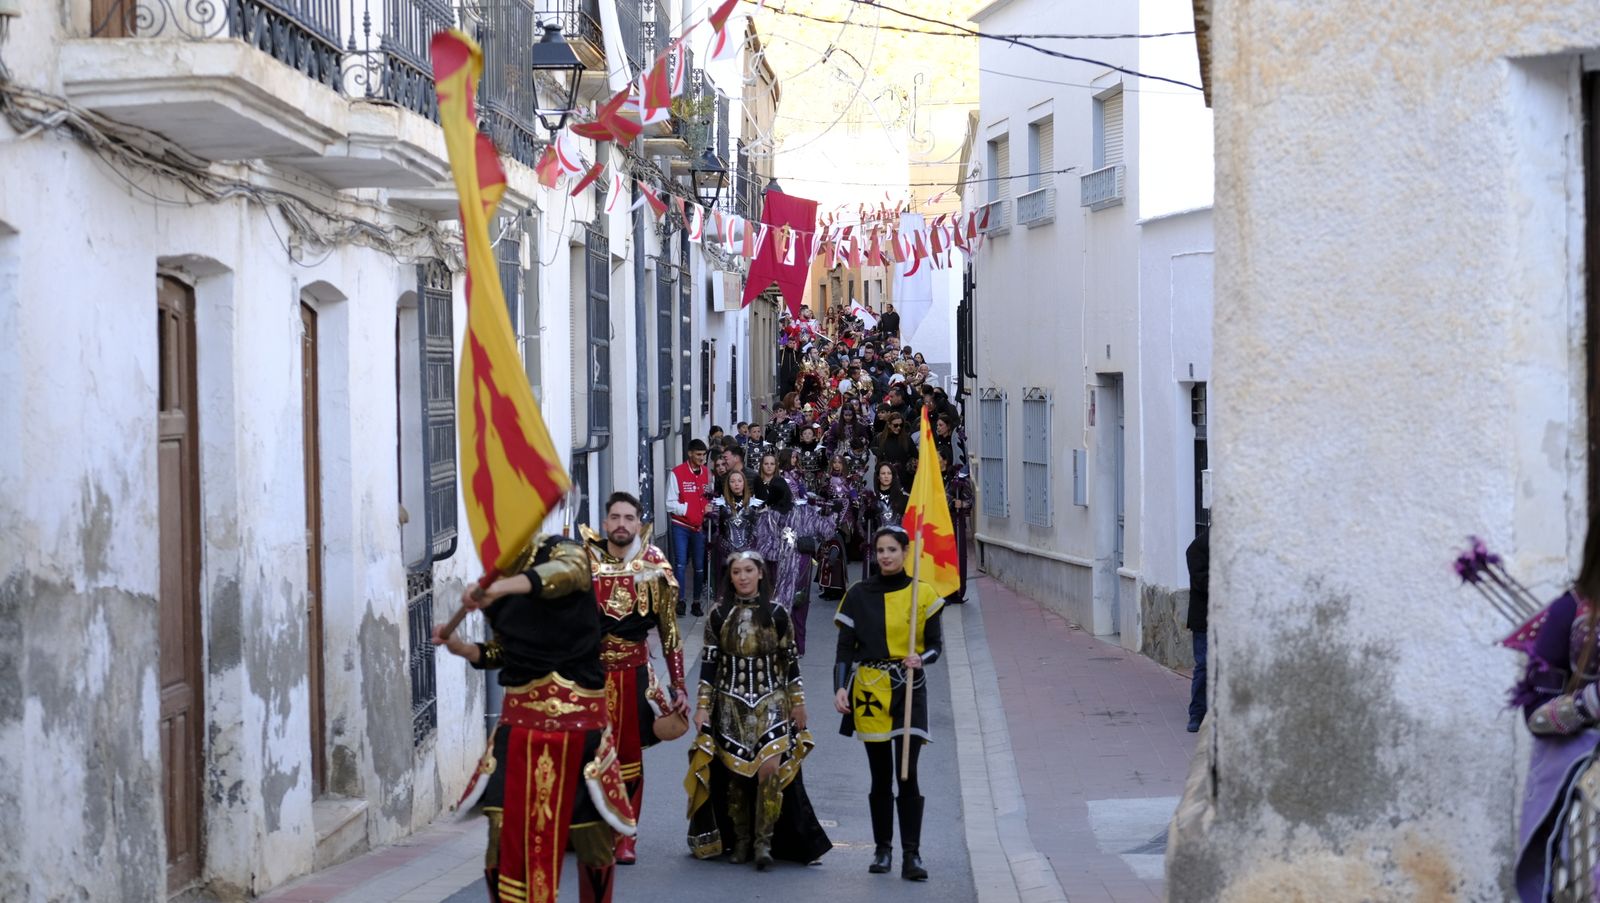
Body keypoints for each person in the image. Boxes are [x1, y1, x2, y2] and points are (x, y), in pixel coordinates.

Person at [434, 535, 634, 903]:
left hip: (578, 728)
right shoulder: (498, 573)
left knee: (591, 837)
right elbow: (510, 652)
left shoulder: (562, 551)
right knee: (501, 831)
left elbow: (567, 574)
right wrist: (465, 649)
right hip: (519, 727)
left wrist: (499, 587)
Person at [687, 551, 832, 869]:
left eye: (749, 570)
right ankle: (740, 841)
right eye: (737, 572)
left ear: (761, 574)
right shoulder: (718, 614)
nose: (743, 577)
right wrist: (701, 708)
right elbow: (709, 665)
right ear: (731, 577)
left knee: (769, 770)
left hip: (772, 702)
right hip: (729, 705)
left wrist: (799, 703)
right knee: (737, 776)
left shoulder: (779, 614)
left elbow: (791, 662)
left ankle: (764, 842)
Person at [833, 526, 944, 882]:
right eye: (880, 550)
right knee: (880, 776)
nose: (885, 556)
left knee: (906, 774)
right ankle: (883, 849)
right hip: (869, 691)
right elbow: (844, 649)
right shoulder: (857, 595)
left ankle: (912, 854)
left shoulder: (923, 594)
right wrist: (839, 688)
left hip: (910, 688)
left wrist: (920, 658)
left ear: (905, 551)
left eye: (892, 549)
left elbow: (936, 646)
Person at [582, 493, 688, 864]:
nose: (622, 524)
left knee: (627, 758)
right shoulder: (583, 563)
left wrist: (679, 686)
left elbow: (670, 630)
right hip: (589, 677)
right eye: (615, 517)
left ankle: (626, 836)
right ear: (606, 522)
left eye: (629, 517)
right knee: (587, 756)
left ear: (640, 524)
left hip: (631, 675)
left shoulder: (653, 565)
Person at [706, 469, 768, 600]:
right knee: (726, 590)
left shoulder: (755, 504)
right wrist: (708, 516)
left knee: (747, 588)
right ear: (728, 484)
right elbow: (712, 526)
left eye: (739, 481)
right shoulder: (719, 504)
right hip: (725, 552)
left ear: (744, 484)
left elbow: (760, 529)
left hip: (748, 552)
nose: (736, 484)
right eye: (732, 481)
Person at [668, 440, 713, 617]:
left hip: (700, 527)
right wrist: (689, 509)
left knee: (700, 566)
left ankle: (696, 602)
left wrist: (709, 509)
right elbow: (670, 504)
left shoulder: (708, 474)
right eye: (698, 454)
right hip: (681, 525)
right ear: (690, 453)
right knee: (680, 563)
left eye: (703, 455)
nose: (701, 458)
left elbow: (710, 497)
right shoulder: (677, 473)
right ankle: (680, 601)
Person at [861, 463, 908, 578]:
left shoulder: (903, 498)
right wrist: (866, 518)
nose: (886, 476)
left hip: (898, 544)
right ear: (878, 476)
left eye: (889, 473)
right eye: (883, 473)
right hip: (877, 546)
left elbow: (910, 522)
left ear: (893, 476)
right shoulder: (870, 499)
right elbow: (861, 523)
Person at [1185, 524, 1210, 732]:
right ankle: (1197, 713)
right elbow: (1201, 581)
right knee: (1204, 664)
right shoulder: (1199, 547)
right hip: (1204, 618)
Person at [752, 450, 795, 515]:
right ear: (761, 465)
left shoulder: (782, 482)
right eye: (766, 464)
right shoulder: (755, 482)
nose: (769, 466)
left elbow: (787, 503)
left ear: (776, 466)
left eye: (772, 464)